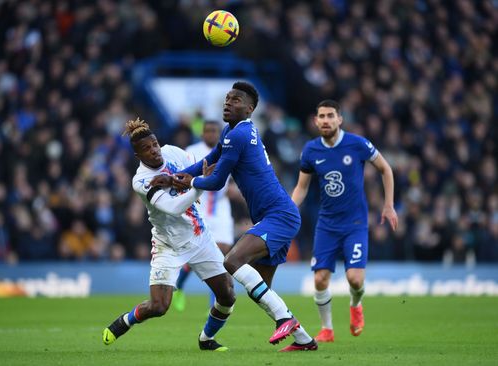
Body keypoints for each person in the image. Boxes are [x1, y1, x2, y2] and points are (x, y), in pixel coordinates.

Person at [154, 81, 317, 352]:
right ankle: (304, 340)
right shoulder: (234, 131)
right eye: (227, 98)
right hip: (276, 216)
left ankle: (285, 319)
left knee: (232, 261)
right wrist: (175, 178)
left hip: (279, 216)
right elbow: (207, 162)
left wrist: (189, 183)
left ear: (250, 109)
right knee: (262, 289)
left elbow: (216, 180)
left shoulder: (238, 135)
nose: (228, 102)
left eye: (236, 100)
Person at [102, 118, 235, 351]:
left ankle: (206, 339)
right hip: (168, 245)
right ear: (138, 156)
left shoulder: (172, 152)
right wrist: (198, 186)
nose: (154, 151)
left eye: (154, 144)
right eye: (146, 149)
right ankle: (125, 321)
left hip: (198, 236)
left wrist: (195, 179)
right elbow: (174, 207)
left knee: (227, 296)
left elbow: (195, 169)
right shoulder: (141, 181)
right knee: (159, 306)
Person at [291, 100, 398, 342]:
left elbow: (385, 169)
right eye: (322, 116)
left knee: (355, 279)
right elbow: (301, 188)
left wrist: (388, 205)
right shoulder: (310, 151)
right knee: (319, 279)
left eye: (330, 115)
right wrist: (287, 210)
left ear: (340, 119)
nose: (326, 120)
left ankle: (356, 305)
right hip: (327, 225)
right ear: (316, 121)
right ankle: (327, 329)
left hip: (355, 224)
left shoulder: (357, 144)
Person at [173, 120, 235, 311]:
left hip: (221, 207)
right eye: (207, 131)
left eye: (215, 131)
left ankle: (215, 303)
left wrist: (234, 189)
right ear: (202, 134)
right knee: (198, 253)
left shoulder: (229, 149)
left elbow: (233, 177)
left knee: (224, 254)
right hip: (199, 205)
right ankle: (179, 286)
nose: (211, 134)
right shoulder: (192, 151)